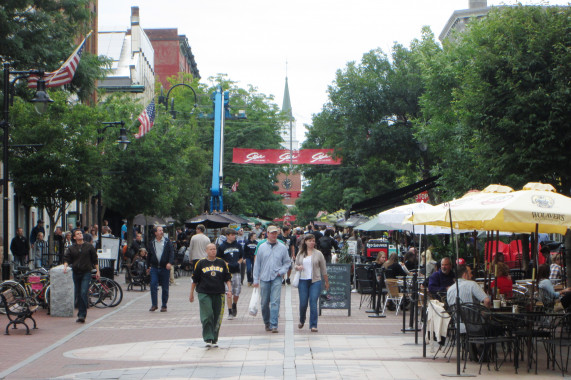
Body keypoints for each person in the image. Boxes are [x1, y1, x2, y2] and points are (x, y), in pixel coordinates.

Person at [190, 243, 232, 348]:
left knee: (217, 316)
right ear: (206, 251)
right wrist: (191, 294)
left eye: (214, 249)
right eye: (211, 249)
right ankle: (208, 337)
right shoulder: (201, 263)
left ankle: (214, 338)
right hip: (204, 293)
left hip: (219, 293)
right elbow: (194, 280)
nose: (213, 251)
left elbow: (227, 278)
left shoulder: (222, 263)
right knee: (207, 315)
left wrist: (230, 291)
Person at [253, 225, 291, 333]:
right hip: (264, 278)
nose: (274, 235)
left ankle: (274, 324)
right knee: (264, 302)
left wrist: (282, 272)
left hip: (276, 277)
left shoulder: (282, 247)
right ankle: (267, 322)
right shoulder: (261, 247)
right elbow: (257, 264)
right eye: (272, 233)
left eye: (276, 233)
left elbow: (287, 262)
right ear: (267, 234)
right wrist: (255, 279)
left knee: (275, 301)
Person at [63, 229, 100, 323]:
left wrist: (97, 271)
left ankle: (82, 314)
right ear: (74, 237)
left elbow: (95, 259)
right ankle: (80, 313)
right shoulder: (72, 248)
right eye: (78, 234)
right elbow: (67, 258)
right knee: (78, 293)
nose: (80, 235)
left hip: (86, 272)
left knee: (83, 292)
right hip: (76, 272)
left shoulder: (89, 246)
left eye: (80, 233)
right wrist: (65, 266)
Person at [294, 234, 329, 332]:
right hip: (303, 281)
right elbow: (295, 265)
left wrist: (326, 282)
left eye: (313, 241)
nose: (312, 243)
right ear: (305, 242)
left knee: (313, 302)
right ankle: (302, 319)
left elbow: (323, 269)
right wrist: (298, 267)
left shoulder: (318, 254)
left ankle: (313, 325)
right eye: (310, 241)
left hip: (315, 281)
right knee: (303, 303)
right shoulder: (301, 253)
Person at [216, 228, 244, 319]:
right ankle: (230, 311)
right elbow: (219, 259)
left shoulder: (238, 245)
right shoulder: (222, 246)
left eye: (234, 235)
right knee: (229, 291)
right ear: (227, 236)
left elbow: (241, 257)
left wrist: (238, 262)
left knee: (237, 292)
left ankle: (234, 304)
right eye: (232, 235)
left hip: (236, 271)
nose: (234, 236)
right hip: (227, 272)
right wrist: (226, 264)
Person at [146, 226, 175, 312]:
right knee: (153, 284)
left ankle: (164, 305)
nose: (161, 232)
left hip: (164, 267)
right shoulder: (152, 243)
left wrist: (170, 263)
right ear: (155, 233)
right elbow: (149, 255)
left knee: (165, 287)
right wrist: (148, 266)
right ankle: (154, 304)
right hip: (154, 267)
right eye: (159, 230)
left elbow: (171, 253)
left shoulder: (167, 242)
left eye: (162, 230)